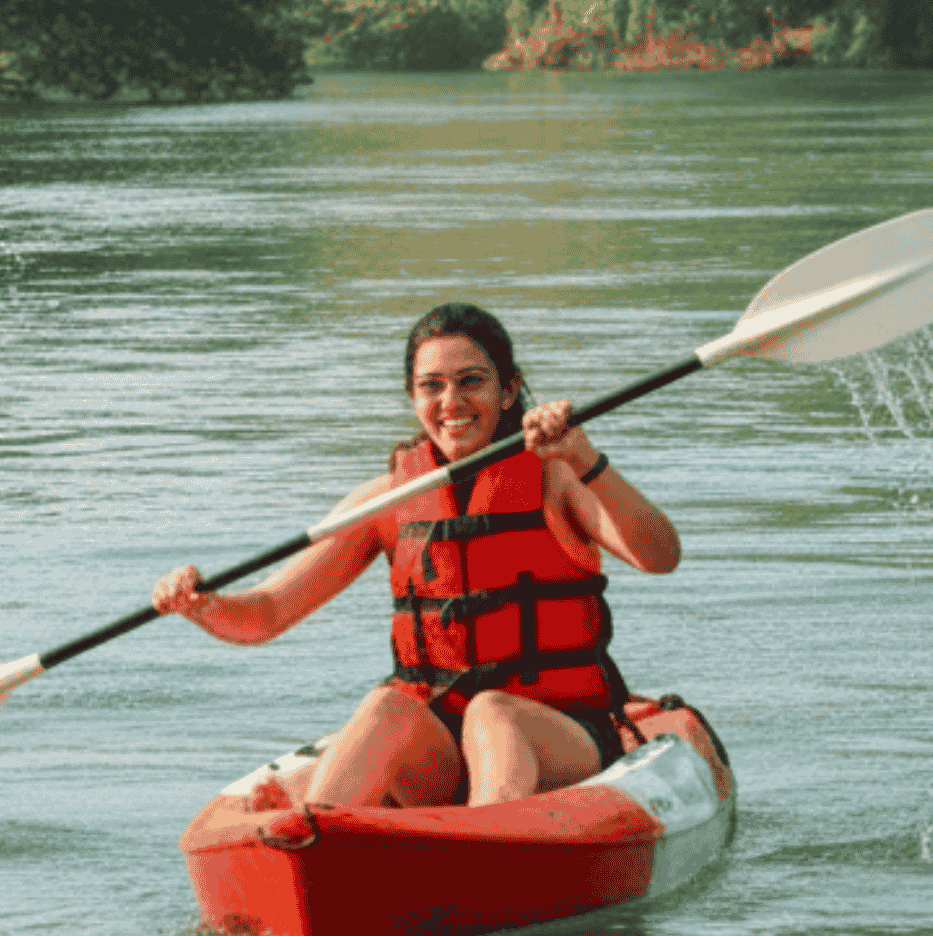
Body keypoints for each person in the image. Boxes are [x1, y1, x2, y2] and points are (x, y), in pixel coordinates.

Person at [152, 303, 680, 808]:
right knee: (388, 705)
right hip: (443, 750)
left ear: (508, 390)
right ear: (412, 397)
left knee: (494, 713)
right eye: (432, 386)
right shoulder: (388, 501)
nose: (451, 401)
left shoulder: (557, 479)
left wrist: (586, 458)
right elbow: (266, 614)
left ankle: (485, 854)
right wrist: (199, 603)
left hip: (565, 736)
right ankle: (316, 838)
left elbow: (660, 555)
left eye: (471, 380)